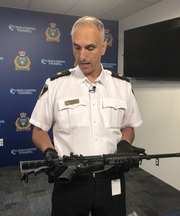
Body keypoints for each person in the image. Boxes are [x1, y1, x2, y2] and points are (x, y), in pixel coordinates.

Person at [29, 16, 143, 216]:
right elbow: (39, 130)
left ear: (103, 47)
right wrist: (48, 151)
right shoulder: (56, 85)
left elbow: (129, 126)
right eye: (76, 47)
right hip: (70, 180)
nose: (82, 56)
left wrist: (125, 143)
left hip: (111, 178)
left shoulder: (122, 86)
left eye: (90, 48)